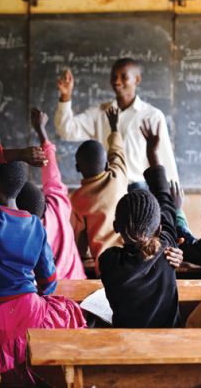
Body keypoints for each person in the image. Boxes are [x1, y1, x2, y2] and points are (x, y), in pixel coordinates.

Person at [0, 141, 85, 385]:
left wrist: (17, 153)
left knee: (4, 377)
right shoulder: (35, 225)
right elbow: (49, 282)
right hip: (31, 312)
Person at [99, 120, 181, 328]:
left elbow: (165, 205)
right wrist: (153, 153)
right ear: (160, 228)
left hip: (127, 349)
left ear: (116, 227)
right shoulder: (167, 249)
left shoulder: (108, 261)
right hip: (169, 345)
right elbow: (165, 200)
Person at [54, 58, 179, 189]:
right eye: (114, 77)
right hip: (107, 188)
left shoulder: (152, 116)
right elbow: (66, 130)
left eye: (124, 77)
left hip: (139, 188)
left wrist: (171, 203)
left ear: (137, 79)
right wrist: (65, 97)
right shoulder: (101, 113)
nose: (117, 81)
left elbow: (165, 159)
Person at [15, 108, 86, 280]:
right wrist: (41, 132)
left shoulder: (24, 240)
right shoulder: (58, 205)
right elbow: (52, 172)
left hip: (51, 299)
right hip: (79, 283)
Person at [69, 106, 127, 274]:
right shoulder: (118, 177)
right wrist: (115, 128)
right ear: (107, 165)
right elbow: (117, 152)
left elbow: (80, 240)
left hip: (104, 266)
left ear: (77, 168)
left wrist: (81, 257)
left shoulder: (77, 199)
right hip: (133, 259)